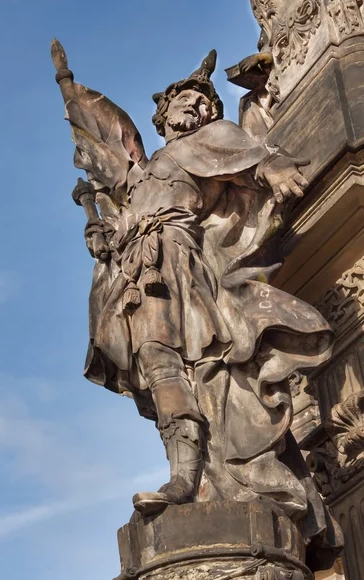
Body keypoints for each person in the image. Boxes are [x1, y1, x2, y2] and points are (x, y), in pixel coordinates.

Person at [52, 44, 342, 564]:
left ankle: (200, 474)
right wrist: (105, 236)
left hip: (182, 265)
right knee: (158, 362)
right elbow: (117, 201)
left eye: (202, 100)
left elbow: (254, 159)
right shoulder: (142, 171)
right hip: (140, 270)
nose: (196, 107)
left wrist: (271, 171)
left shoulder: (214, 140)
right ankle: (183, 473)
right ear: (164, 117)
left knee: (203, 364)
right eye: (185, 100)